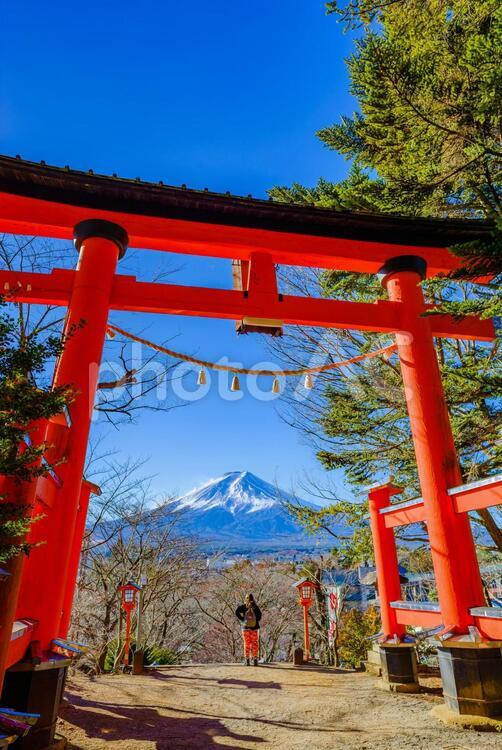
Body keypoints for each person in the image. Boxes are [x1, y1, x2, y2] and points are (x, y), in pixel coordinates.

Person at [235, 593, 262, 666]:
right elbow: (259, 616)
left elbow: (236, 612)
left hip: (245, 628)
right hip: (254, 628)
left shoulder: (243, 606)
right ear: (253, 599)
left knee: (247, 644)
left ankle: (247, 661)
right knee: (254, 644)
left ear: (246, 598)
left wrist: (242, 619)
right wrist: (255, 621)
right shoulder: (255, 607)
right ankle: (255, 660)